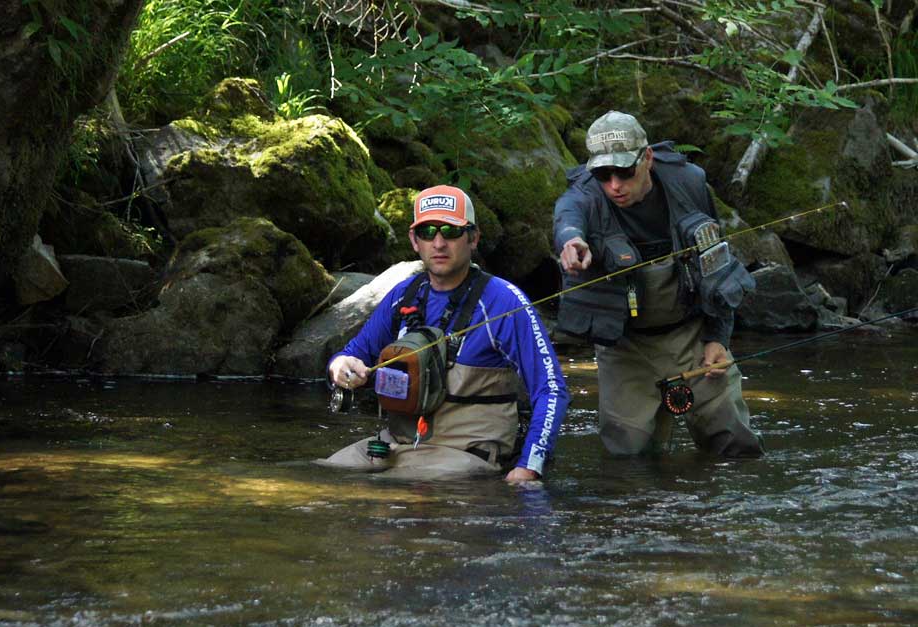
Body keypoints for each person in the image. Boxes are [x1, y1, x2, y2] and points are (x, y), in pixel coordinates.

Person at [319, 185, 569, 483]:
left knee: (397, 486)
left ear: (473, 238)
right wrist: (341, 368)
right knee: (322, 474)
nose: (438, 243)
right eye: (427, 232)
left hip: (465, 453)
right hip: (398, 444)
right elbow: (350, 354)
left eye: (450, 231)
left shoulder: (504, 301)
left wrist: (529, 466)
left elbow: (551, 389)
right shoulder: (404, 295)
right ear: (414, 241)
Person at [553, 110, 764, 457]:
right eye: (603, 175)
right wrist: (572, 240)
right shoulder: (584, 196)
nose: (614, 186)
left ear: (647, 157)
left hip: (691, 335)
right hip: (625, 347)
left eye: (623, 172)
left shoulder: (690, 184)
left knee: (735, 447)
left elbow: (717, 268)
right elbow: (567, 215)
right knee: (628, 460)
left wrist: (717, 339)